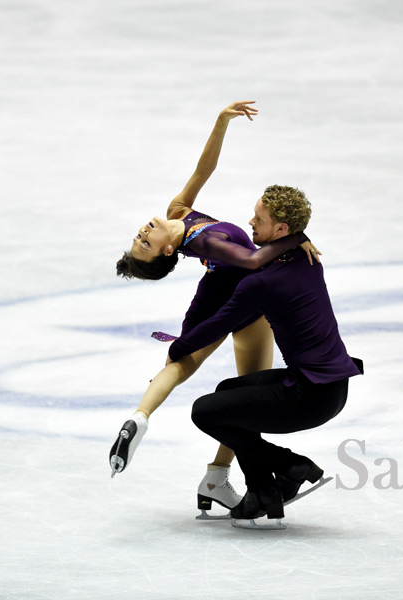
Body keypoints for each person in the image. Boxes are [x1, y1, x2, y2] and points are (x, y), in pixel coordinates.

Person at [109, 102, 320, 519]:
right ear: (169, 252)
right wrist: (295, 238)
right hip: (239, 293)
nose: (143, 232)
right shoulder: (202, 243)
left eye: (138, 236)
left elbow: (202, 171)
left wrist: (220, 123)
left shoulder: (177, 212)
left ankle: (185, 449)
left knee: (214, 377)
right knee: (215, 377)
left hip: (235, 297)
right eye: (145, 244)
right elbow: (253, 261)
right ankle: (167, 438)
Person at [166, 186, 363, 529]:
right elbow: (287, 245)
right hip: (326, 385)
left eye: (260, 219)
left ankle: (290, 465)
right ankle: (262, 490)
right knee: (229, 390)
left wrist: (177, 349)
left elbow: (217, 325)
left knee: (205, 412)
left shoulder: (261, 283)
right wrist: (300, 237)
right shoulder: (306, 256)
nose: (250, 223)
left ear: (282, 230)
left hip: (309, 396)